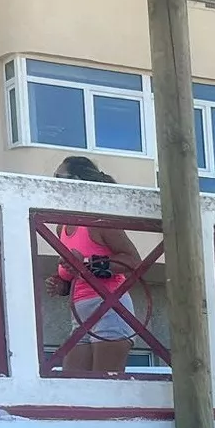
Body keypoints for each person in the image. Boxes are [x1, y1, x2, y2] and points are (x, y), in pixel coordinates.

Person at [46, 156, 144, 375]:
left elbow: (132, 260)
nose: (54, 183)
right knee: (74, 383)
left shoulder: (99, 221)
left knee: (104, 385)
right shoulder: (61, 227)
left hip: (109, 306)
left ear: (78, 181)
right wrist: (61, 283)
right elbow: (74, 273)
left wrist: (88, 266)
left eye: (59, 178)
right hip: (80, 313)